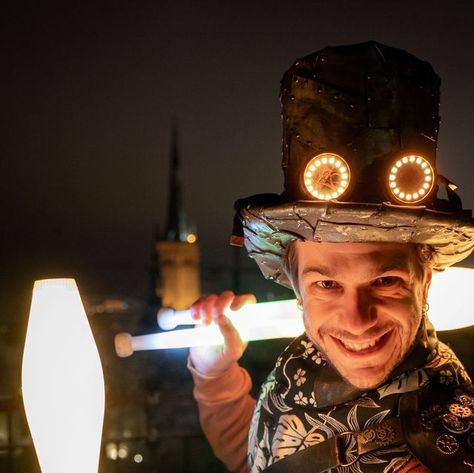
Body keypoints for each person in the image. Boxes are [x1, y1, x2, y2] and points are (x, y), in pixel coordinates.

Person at [188, 42, 474, 473]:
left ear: (426, 281)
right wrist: (216, 371)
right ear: (297, 288)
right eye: (327, 284)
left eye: (385, 281)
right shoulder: (302, 374)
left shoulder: (442, 447)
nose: (356, 320)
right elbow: (257, 455)